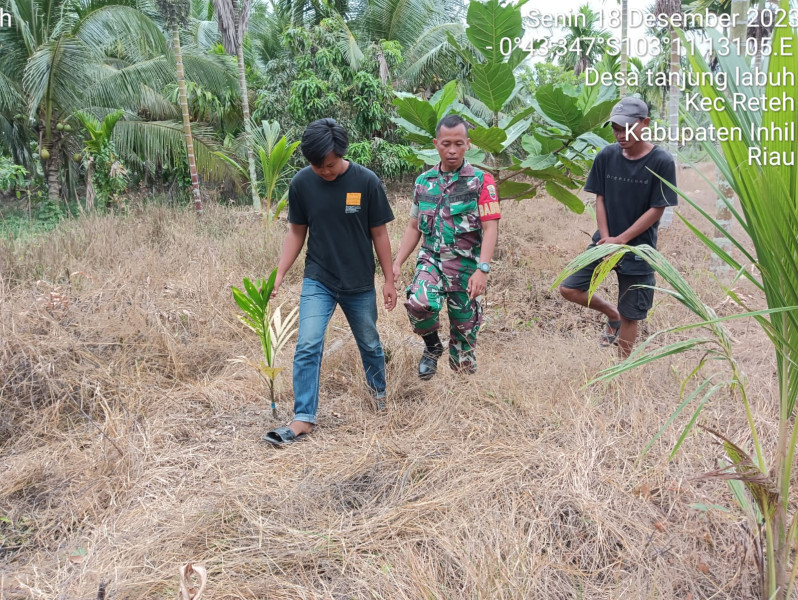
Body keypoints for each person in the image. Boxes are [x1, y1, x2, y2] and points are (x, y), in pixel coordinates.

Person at [263, 118, 396, 447]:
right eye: (317, 165)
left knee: (369, 343)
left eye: (330, 164)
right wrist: (279, 273)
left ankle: (379, 396)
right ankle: (303, 417)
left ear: (342, 153)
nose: (324, 171)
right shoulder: (301, 184)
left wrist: (389, 279)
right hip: (319, 278)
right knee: (308, 343)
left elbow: (379, 234)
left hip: (359, 281)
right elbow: (296, 232)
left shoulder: (366, 181)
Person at [559, 97, 677, 358]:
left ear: (645, 123)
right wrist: (607, 239)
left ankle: (622, 367)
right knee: (569, 288)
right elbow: (600, 197)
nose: (621, 135)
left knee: (630, 314)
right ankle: (611, 314)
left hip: (639, 249)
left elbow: (657, 209)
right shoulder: (606, 156)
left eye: (627, 128)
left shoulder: (661, 161)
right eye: (616, 128)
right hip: (604, 242)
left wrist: (621, 240)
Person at [392, 114, 500, 379]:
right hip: (432, 261)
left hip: (466, 267)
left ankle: (461, 393)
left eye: (459, 144)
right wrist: (397, 262)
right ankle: (432, 346)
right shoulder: (423, 182)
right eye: (446, 144)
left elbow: (490, 228)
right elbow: (414, 227)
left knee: (464, 337)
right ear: (435, 144)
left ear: (468, 144)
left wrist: (482, 269)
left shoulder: (481, 181)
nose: (452, 150)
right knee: (418, 303)